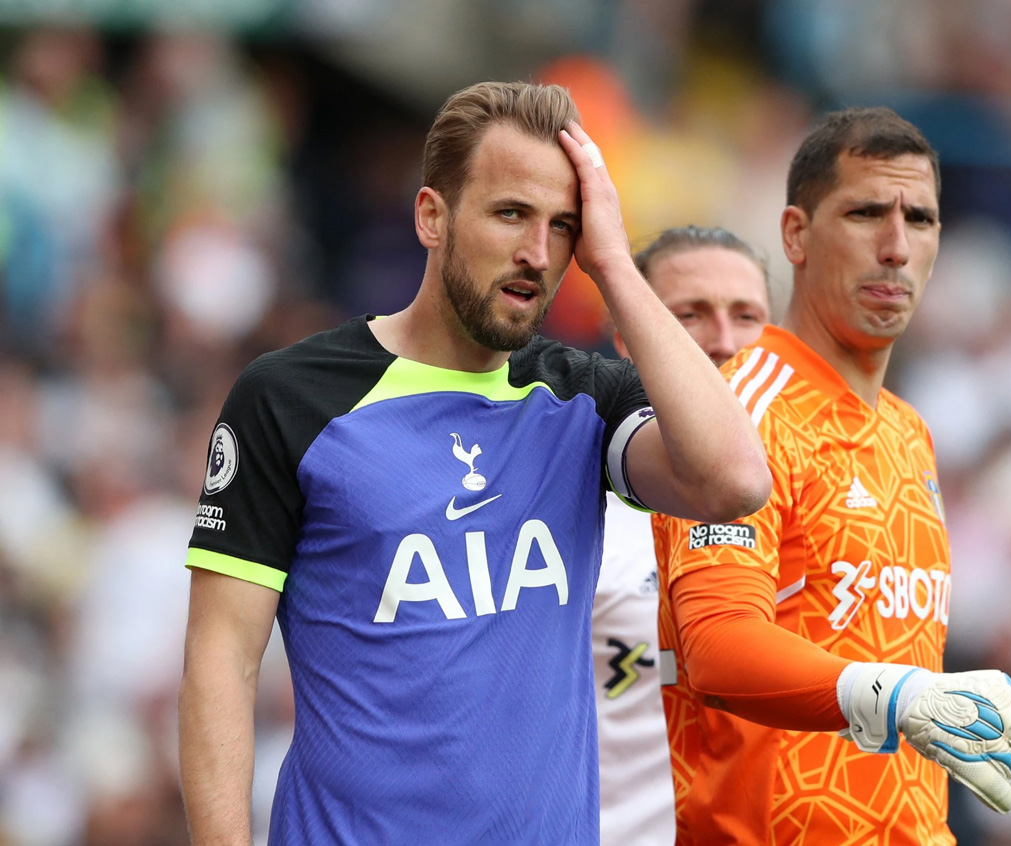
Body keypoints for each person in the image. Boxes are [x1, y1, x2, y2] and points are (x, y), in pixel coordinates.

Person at [176, 81, 772, 845]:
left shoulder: (582, 396)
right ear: (432, 216)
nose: (537, 252)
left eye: (564, 226)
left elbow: (735, 482)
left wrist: (617, 267)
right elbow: (220, 664)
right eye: (511, 213)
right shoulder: (291, 399)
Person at [652, 107, 1011, 845]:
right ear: (795, 233)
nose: (895, 247)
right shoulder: (740, 413)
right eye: (865, 213)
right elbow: (718, 646)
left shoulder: (909, 432)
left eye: (918, 220)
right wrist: (898, 694)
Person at [594, 225, 772, 845]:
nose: (724, 342)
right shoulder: (577, 507)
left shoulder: (828, 499)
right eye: (689, 315)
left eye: (747, 316)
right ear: (628, 338)